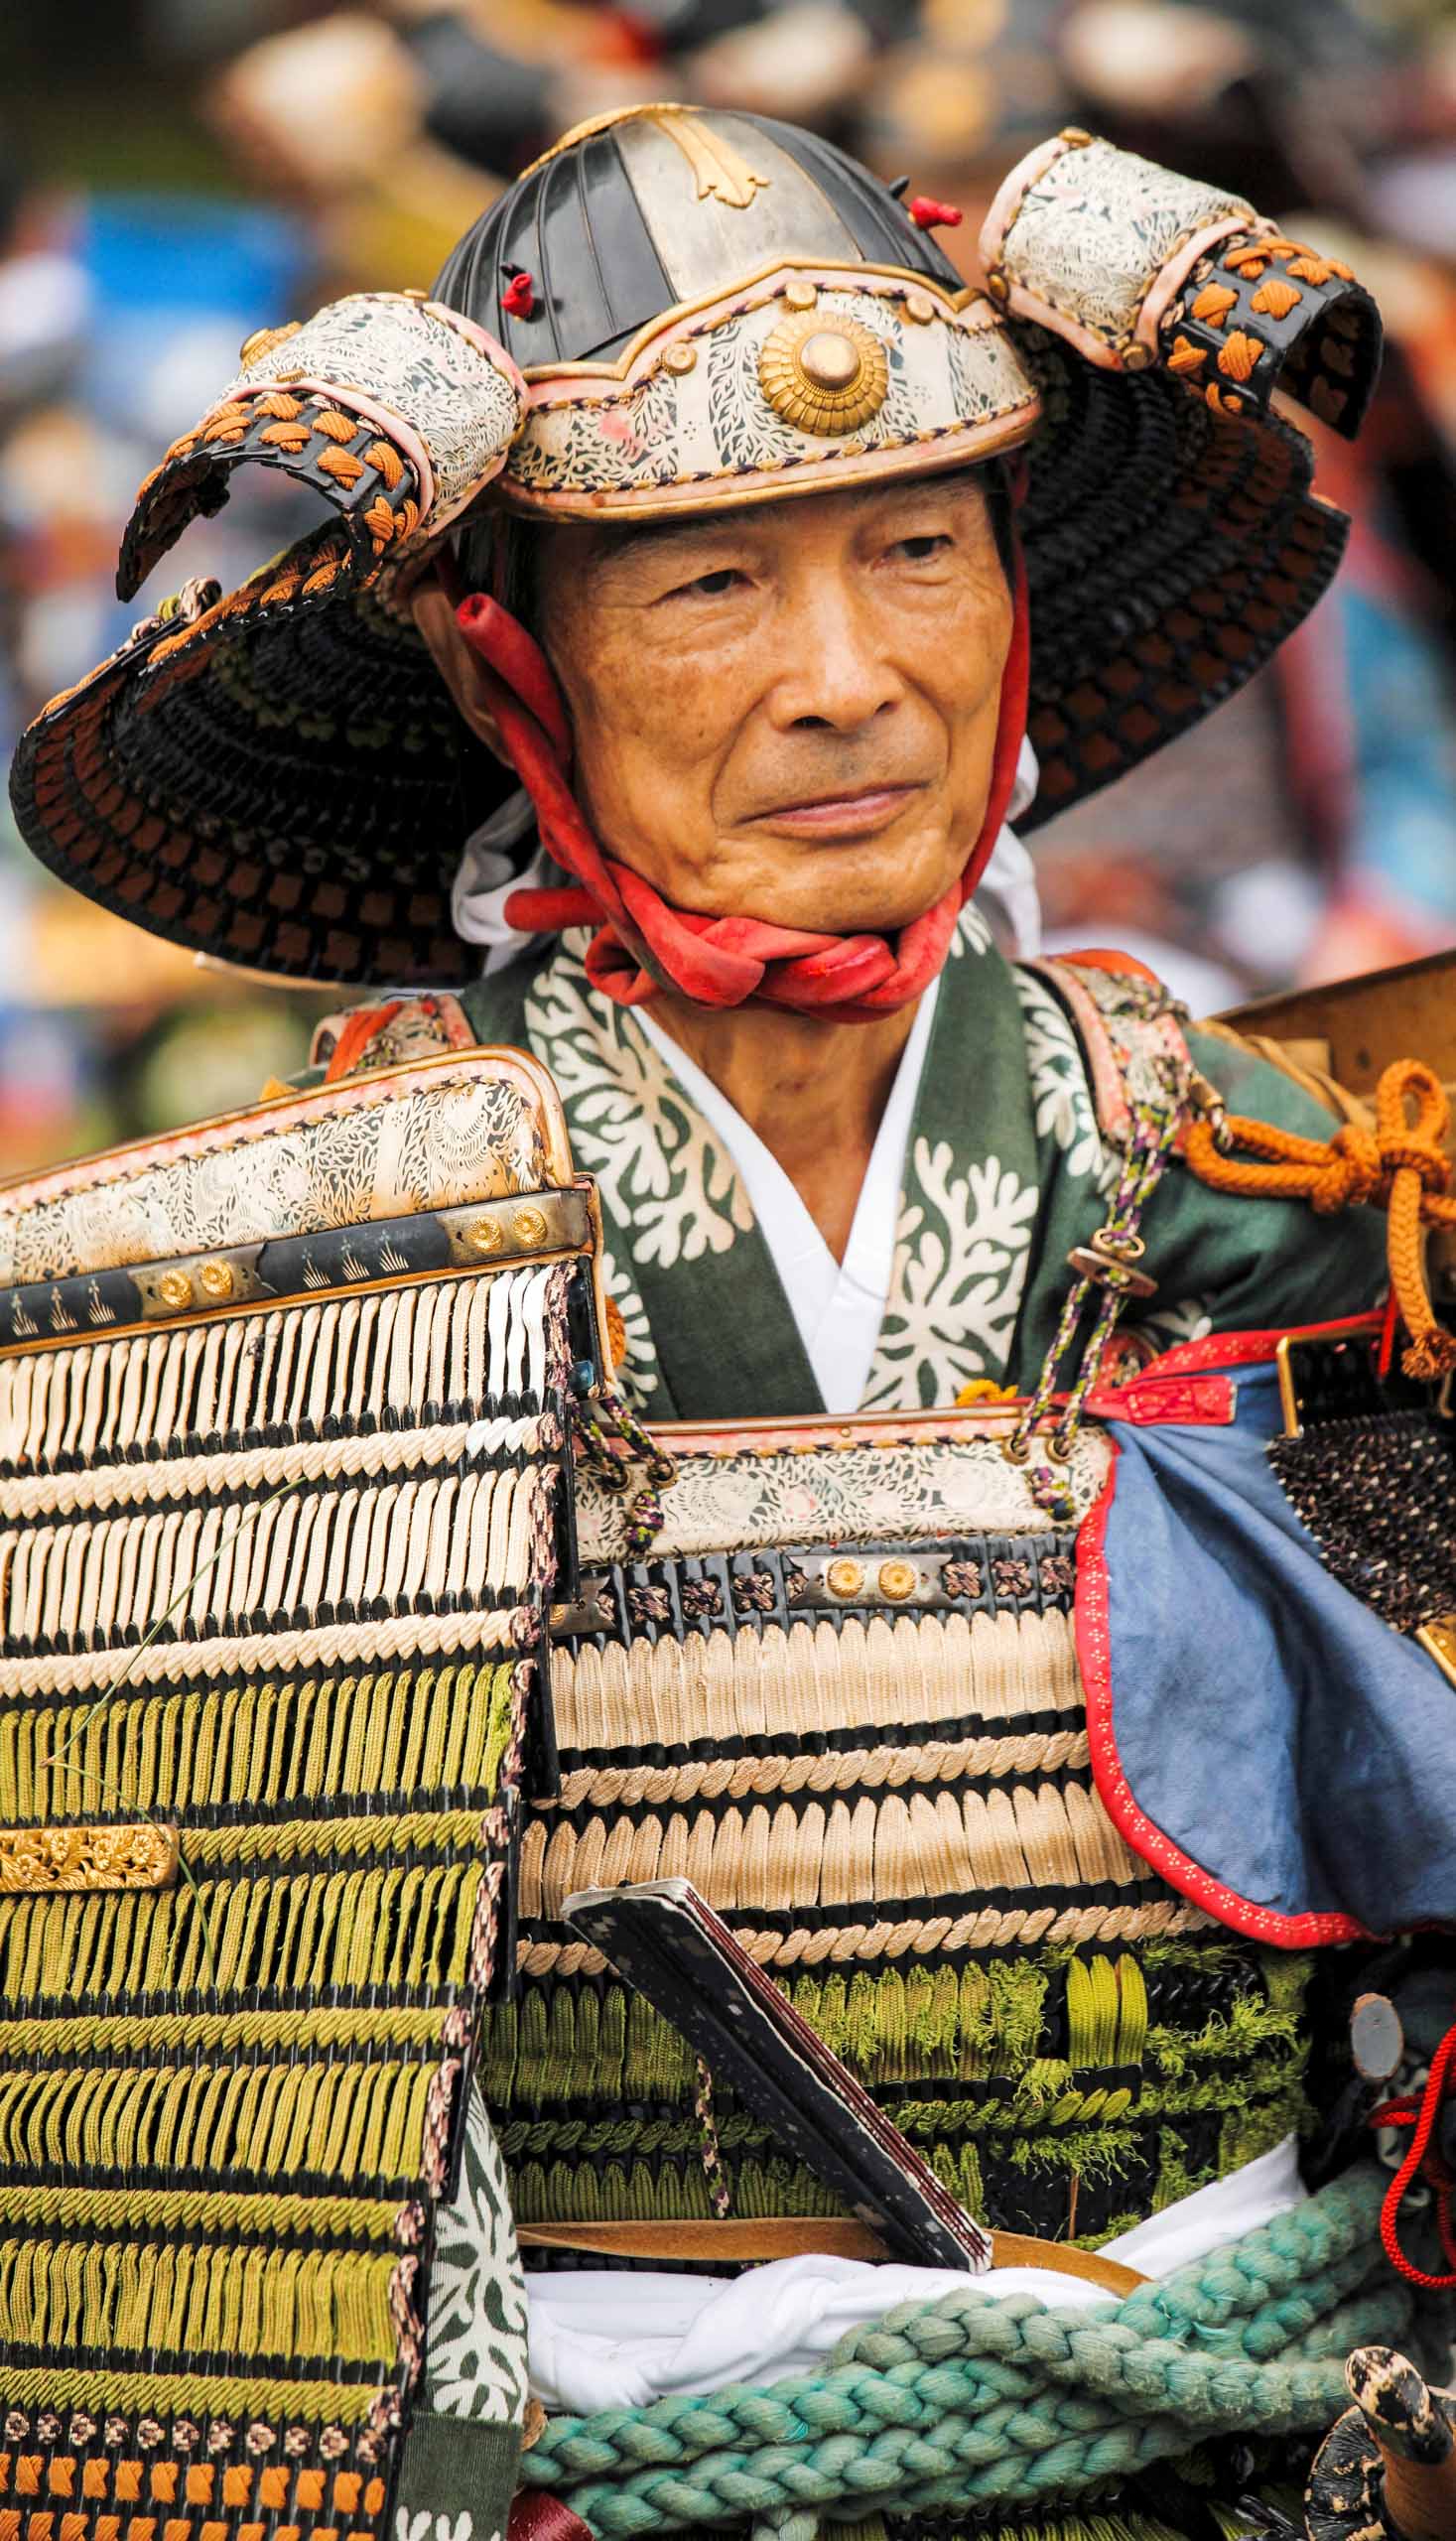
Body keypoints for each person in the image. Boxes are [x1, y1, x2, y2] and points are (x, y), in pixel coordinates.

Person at [11, 103, 1456, 2541]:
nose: (841, 679)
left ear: (1012, 598)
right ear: (509, 674)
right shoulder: (319, 1253)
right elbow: (168, 2061)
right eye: (702, 588)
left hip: (1243, 2452)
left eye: (914, 552)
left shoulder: (1261, 1165)